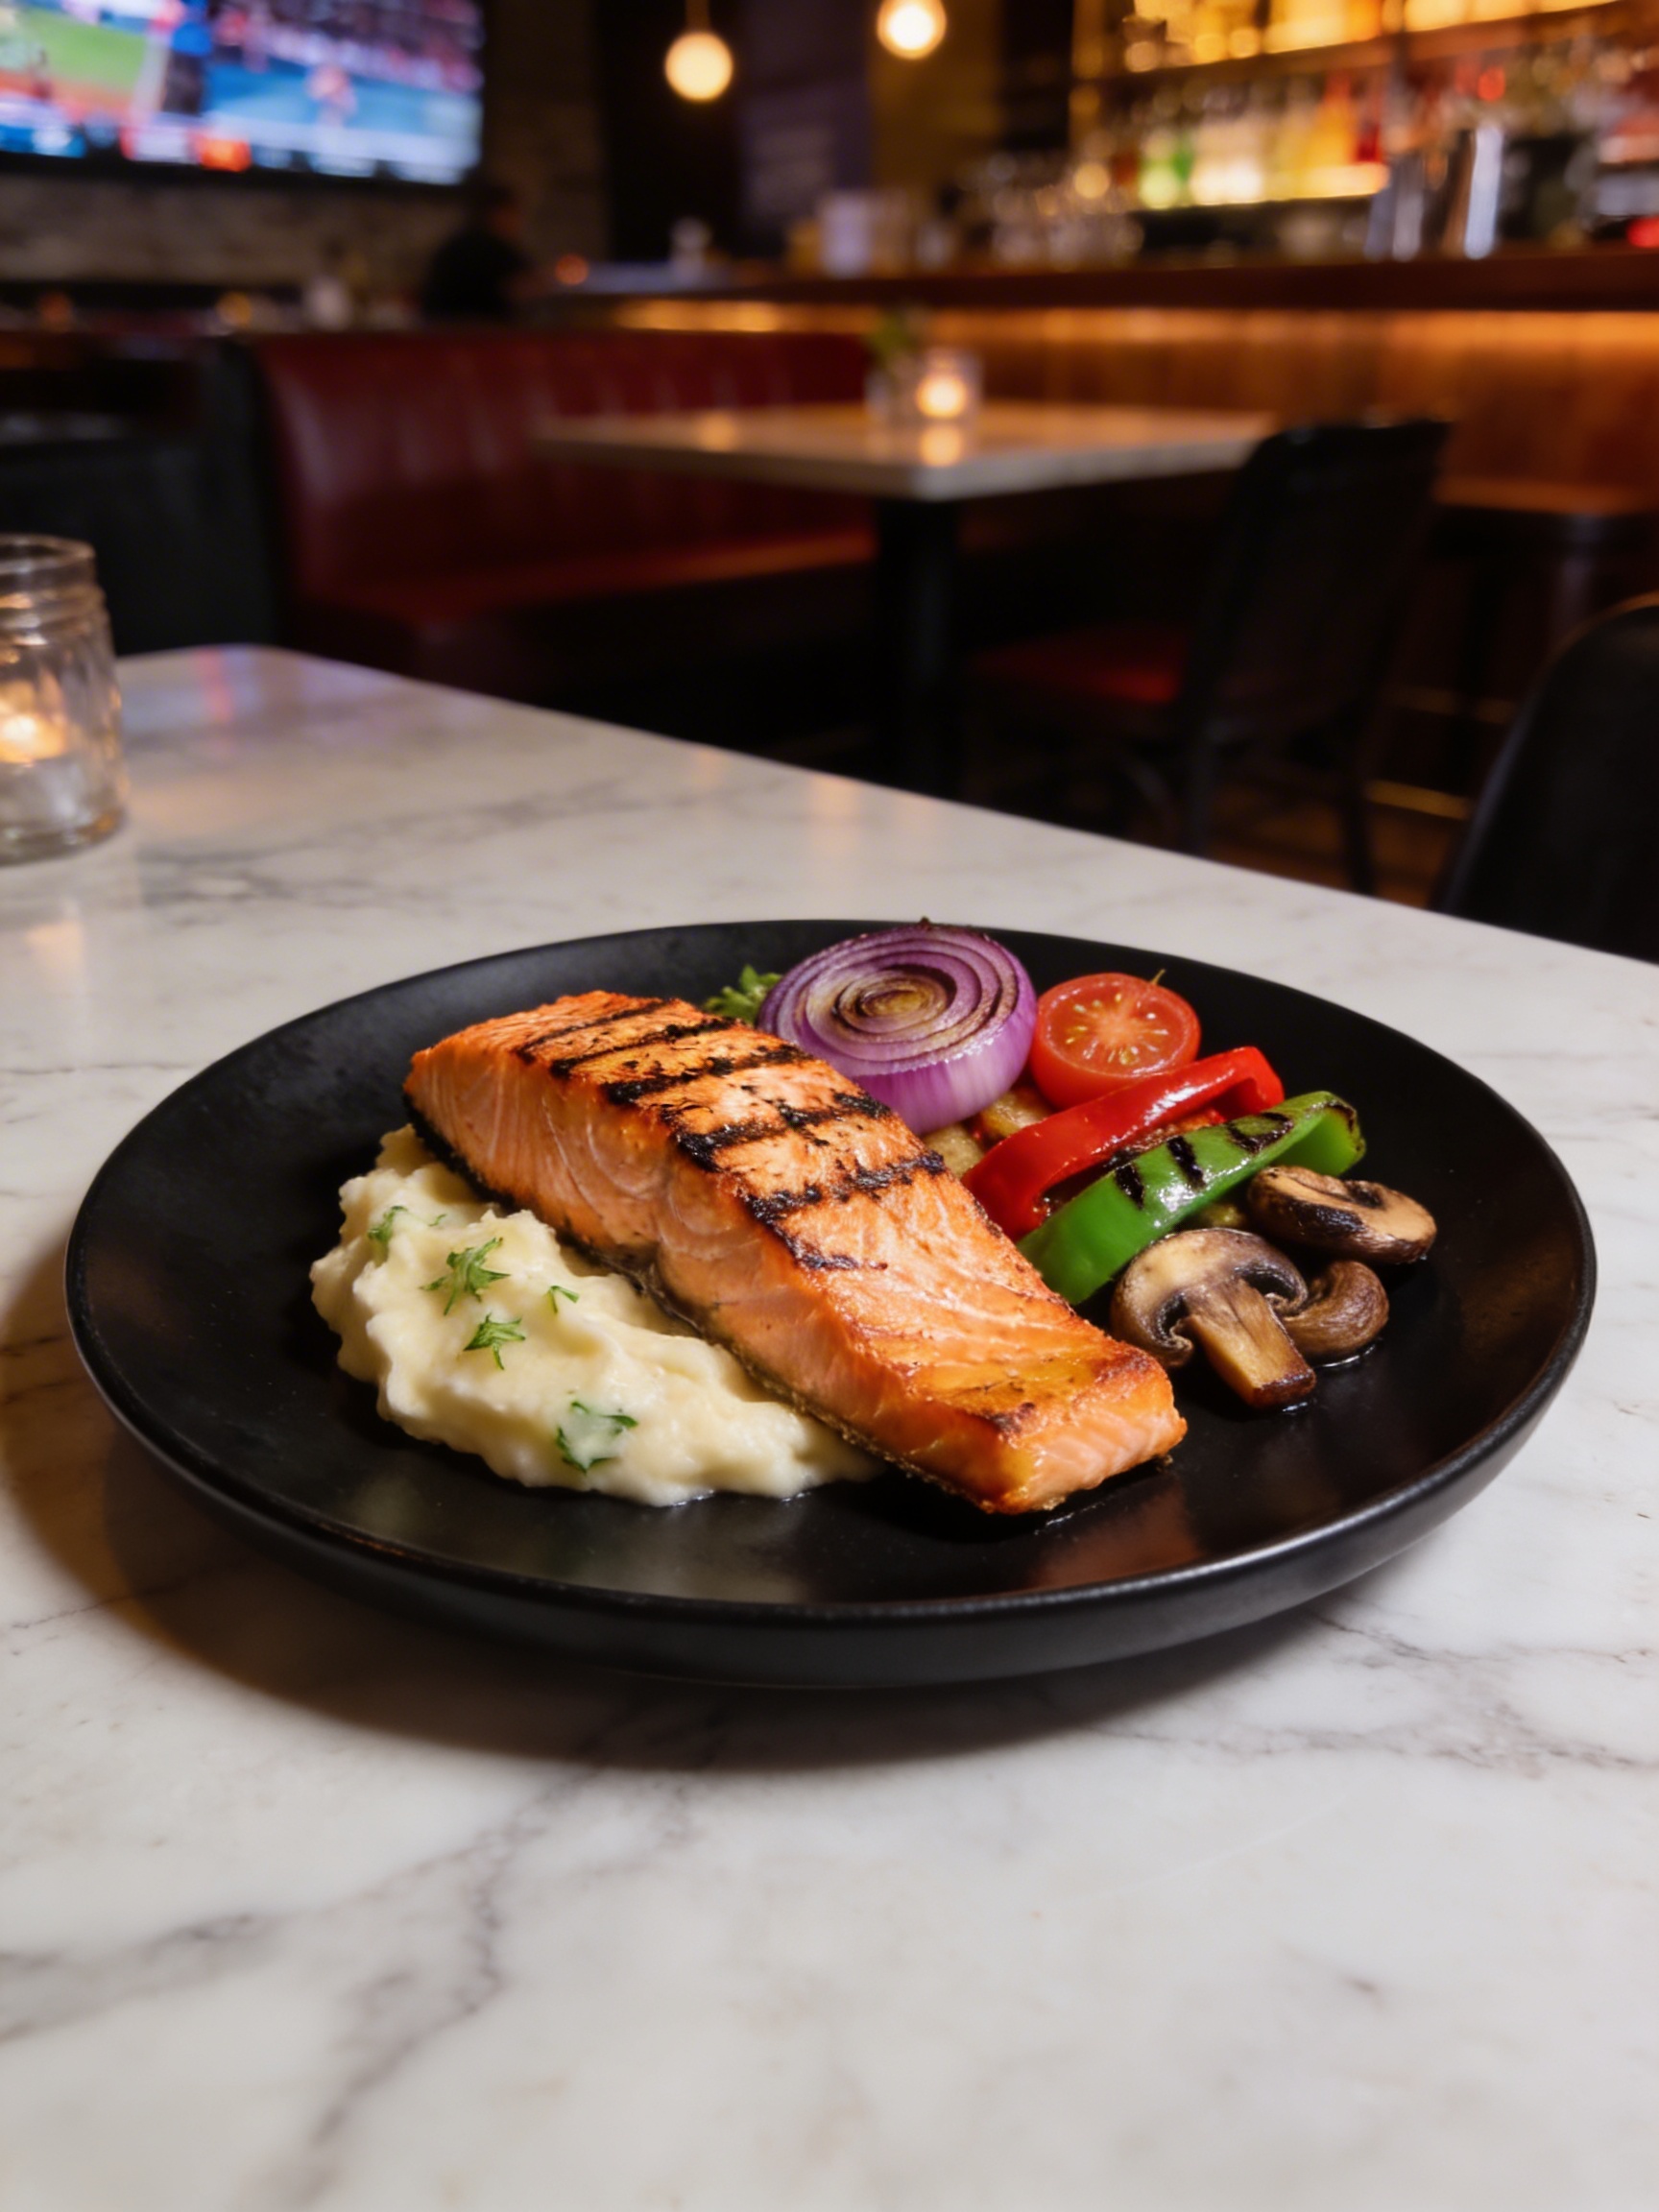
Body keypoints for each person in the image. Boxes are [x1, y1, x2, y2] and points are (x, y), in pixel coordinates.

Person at [420, 180, 546, 324]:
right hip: (477, 331)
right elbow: (524, 289)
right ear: (497, 213)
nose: (519, 221)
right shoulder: (494, 249)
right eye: (514, 212)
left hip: (435, 331)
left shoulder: (453, 245)